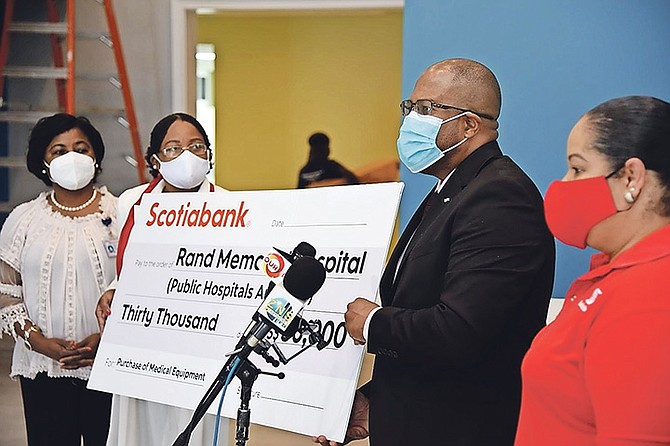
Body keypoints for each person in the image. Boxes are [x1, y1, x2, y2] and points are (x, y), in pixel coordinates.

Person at [314, 58, 555, 446]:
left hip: (464, 428)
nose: (411, 120)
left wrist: (373, 323)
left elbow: (460, 330)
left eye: (425, 109)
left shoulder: (499, 196)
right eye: (409, 108)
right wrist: (378, 400)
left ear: (469, 125)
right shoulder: (452, 188)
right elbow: (425, 310)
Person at [515, 96, 670, 445]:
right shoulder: (617, 275)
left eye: (578, 168)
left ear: (631, 177)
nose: (562, 184)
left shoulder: (651, 292)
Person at [95, 112, 228, 446]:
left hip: (202, 344)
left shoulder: (230, 203)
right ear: (154, 159)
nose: (186, 155)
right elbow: (133, 266)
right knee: (140, 429)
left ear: (209, 155)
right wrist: (113, 291)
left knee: (193, 428)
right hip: (142, 339)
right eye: (173, 148)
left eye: (197, 146)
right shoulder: (132, 202)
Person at [0, 113, 117, 445]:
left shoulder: (123, 213)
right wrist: (36, 340)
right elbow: (6, 290)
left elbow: (136, 285)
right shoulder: (24, 220)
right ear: (43, 162)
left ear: (96, 157)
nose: (73, 158)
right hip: (42, 365)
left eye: (82, 148)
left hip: (109, 364)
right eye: (59, 151)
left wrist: (103, 337)